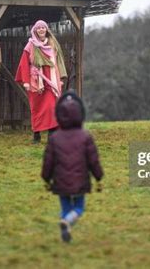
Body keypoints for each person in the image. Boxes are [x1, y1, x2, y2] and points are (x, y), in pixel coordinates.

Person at [41, 91, 103, 243]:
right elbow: (93, 160)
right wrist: (98, 177)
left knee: (65, 208)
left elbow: (48, 161)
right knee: (79, 208)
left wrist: (46, 178)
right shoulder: (86, 136)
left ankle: (65, 224)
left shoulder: (54, 138)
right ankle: (67, 222)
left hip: (60, 181)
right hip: (80, 181)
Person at [15, 20, 68, 143]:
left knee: (51, 107)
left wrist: (60, 79)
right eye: (38, 28)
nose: (41, 30)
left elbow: (59, 61)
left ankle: (52, 135)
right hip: (36, 82)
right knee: (37, 109)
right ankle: (36, 135)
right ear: (35, 30)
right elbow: (24, 64)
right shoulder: (30, 45)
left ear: (46, 29)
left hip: (51, 80)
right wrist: (26, 81)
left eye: (43, 27)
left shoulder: (53, 44)